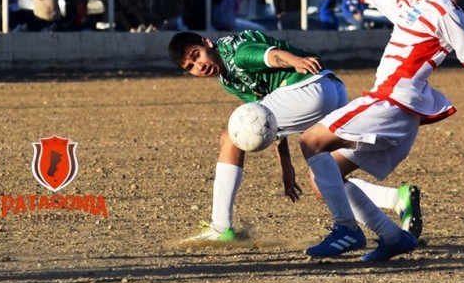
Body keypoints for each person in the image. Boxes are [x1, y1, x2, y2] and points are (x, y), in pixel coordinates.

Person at [306, 0, 464, 261]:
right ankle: (392, 236)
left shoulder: (445, 11)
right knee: (324, 180)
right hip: (396, 114)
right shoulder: (408, 3)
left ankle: (346, 230)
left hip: (392, 103)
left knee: (311, 140)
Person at [168, 31, 421, 244]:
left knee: (230, 137)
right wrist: (286, 165)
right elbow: (264, 119)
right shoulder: (227, 78)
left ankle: (221, 227)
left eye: (195, 55)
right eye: (190, 67)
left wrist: (295, 61)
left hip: (307, 87)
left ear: (207, 42)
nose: (198, 66)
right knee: (323, 180)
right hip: (331, 88)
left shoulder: (234, 51)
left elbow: (269, 55)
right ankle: (395, 199)